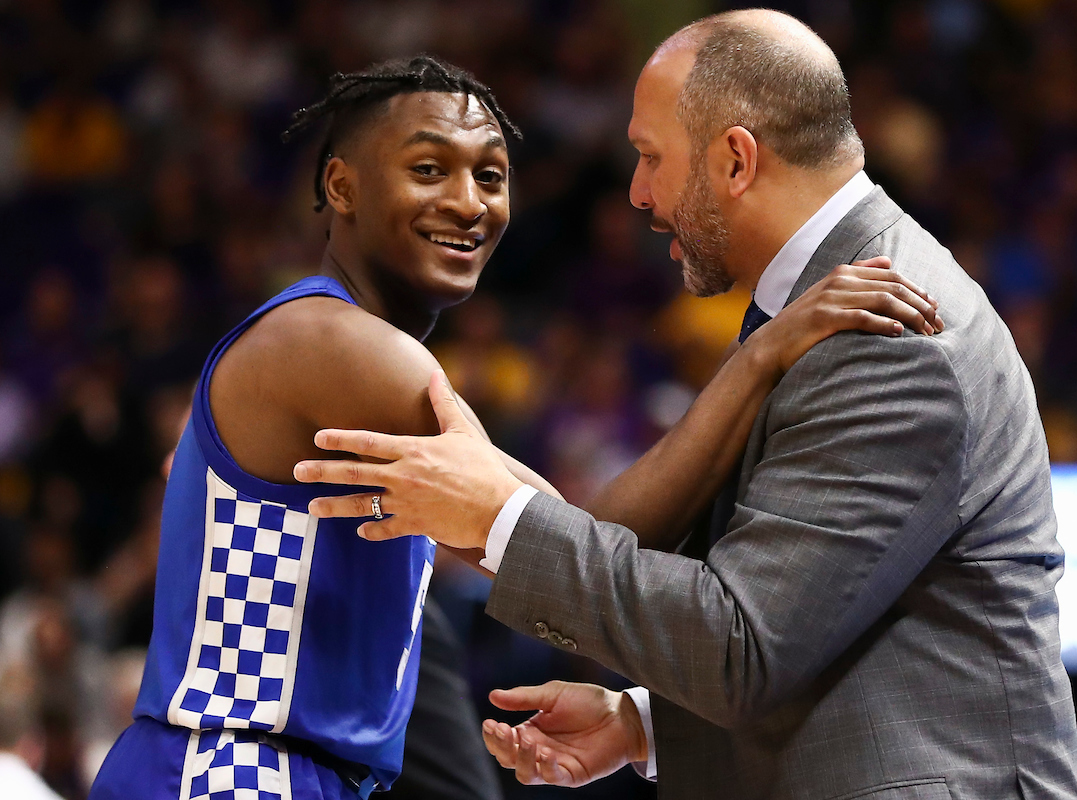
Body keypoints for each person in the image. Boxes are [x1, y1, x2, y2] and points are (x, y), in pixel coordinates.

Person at [89, 52, 940, 800]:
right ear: (341, 186)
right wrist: (760, 357)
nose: (468, 203)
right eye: (429, 169)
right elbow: (597, 546)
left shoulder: (326, 339)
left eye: (490, 176)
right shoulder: (344, 349)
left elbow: (573, 555)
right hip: (232, 773)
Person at [295, 10, 1077, 800]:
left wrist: (497, 516)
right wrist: (646, 725)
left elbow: (740, 648)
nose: (638, 193)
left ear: (736, 160)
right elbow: (825, 625)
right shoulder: (820, 302)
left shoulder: (888, 329)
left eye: (649, 157)